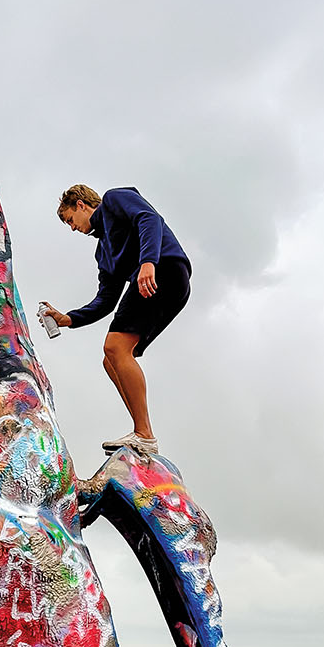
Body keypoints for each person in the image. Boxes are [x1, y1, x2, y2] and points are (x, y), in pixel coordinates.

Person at [42, 183, 191, 455]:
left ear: (81, 205)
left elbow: (149, 219)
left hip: (165, 269)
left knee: (114, 347)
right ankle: (142, 434)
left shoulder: (114, 200)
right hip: (158, 282)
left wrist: (148, 262)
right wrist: (68, 319)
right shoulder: (103, 253)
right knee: (111, 358)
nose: (73, 228)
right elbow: (106, 300)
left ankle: (145, 435)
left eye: (70, 220)